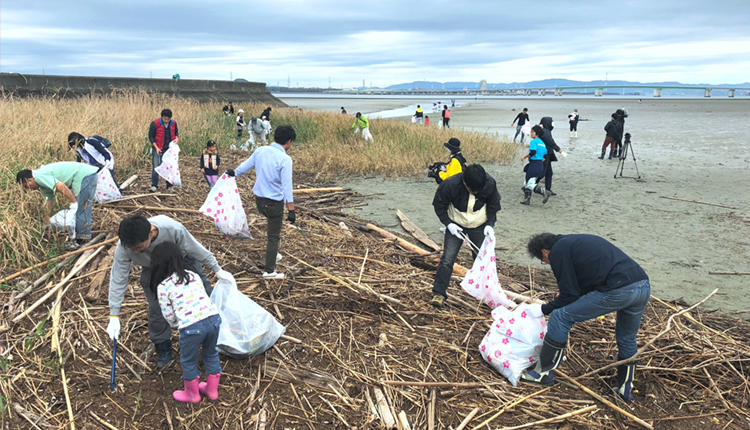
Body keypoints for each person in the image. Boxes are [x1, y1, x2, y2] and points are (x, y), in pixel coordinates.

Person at [520, 233, 650, 403]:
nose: (546, 263)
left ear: (545, 251)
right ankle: (625, 389)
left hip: (619, 290)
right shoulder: (575, 243)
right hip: (643, 286)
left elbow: (568, 295)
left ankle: (542, 373)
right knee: (627, 338)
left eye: (542, 259)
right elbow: (580, 289)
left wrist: (543, 309)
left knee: (560, 317)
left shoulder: (558, 251)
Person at [106, 215, 232, 373]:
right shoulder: (125, 246)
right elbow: (118, 278)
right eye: (131, 248)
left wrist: (217, 269)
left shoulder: (172, 229)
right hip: (153, 268)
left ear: (151, 232)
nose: (134, 251)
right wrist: (114, 315)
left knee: (206, 295)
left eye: (138, 247)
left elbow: (195, 248)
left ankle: (220, 339)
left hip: (181, 261)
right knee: (157, 309)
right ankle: (164, 351)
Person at [150, 242, 223, 403]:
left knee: (189, 360)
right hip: (213, 319)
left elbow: (168, 314)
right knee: (211, 354)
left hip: (191, 327)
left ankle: (192, 394)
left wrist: (177, 324)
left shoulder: (163, 286)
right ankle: (212, 391)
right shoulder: (193, 275)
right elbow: (202, 296)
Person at [228, 125, 296, 279]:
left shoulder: (261, 150)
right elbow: (287, 187)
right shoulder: (285, 159)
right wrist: (291, 210)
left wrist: (234, 173)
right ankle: (270, 271)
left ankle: (273, 253)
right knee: (273, 236)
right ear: (289, 141)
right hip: (274, 204)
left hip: (260, 202)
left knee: (272, 230)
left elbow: (244, 167)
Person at [431, 164, 501, 307]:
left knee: (481, 259)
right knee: (447, 259)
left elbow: (494, 206)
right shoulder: (450, 184)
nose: (475, 192)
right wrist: (448, 224)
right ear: (464, 182)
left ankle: (483, 294)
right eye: (472, 189)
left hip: (479, 225)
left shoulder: (490, 183)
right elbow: (439, 205)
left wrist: (490, 224)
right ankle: (439, 293)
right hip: (456, 224)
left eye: (478, 190)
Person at [16, 162, 98, 245]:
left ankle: (83, 241)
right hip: (87, 175)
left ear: (29, 180)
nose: (29, 189)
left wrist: (74, 202)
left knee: (82, 209)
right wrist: (46, 225)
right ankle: (81, 238)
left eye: (26, 186)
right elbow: (48, 204)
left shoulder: (38, 176)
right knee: (81, 209)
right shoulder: (43, 184)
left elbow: (60, 186)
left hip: (85, 176)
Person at [148, 109, 179, 192]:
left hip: (169, 149)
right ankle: (154, 185)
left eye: (168, 119)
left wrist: (177, 139)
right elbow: (151, 137)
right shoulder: (155, 123)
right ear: (162, 117)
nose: (166, 121)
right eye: (165, 119)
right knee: (156, 166)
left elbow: (176, 133)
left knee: (169, 166)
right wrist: (156, 147)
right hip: (158, 147)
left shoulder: (173, 123)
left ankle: (169, 186)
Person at [520, 125, 549, 205]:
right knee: (526, 183)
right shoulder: (542, 143)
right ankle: (527, 199)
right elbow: (546, 154)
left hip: (534, 164)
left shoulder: (534, 142)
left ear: (537, 133)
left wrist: (524, 157)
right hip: (539, 164)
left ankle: (544, 192)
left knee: (530, 183)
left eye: (532, 132)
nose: (531, 133)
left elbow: (533, 152)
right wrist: (542, 158)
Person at [538, 117, 564, 197]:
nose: (552, 123)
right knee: (541, 173)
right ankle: (529, 186)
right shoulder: (545, 132)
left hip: (548, 154)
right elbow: (550, 142)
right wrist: (559, 150)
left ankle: (548, 189)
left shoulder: (547, 131)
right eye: (551, 122)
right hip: (544, 154)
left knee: (549, 173)